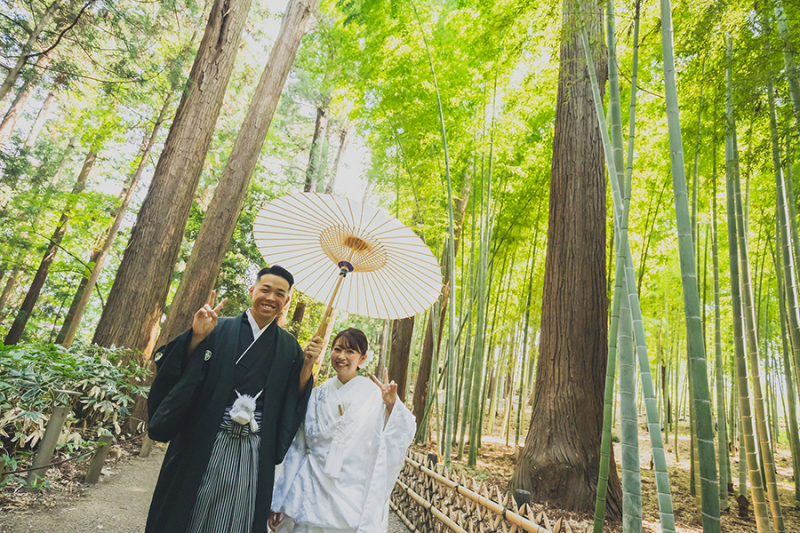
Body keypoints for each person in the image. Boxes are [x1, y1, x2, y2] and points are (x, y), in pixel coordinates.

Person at [145, 265, 323, 533]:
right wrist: (197, 336)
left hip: (253, 448)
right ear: (252, 290)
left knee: (239, 516)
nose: (271, 298)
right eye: (265, 289)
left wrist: (307, 366)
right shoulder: (217, 328)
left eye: (279, 294)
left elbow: (292, 399)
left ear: (286, 302)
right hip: (204, 437)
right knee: (188, 510)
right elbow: (180, 369)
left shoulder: (290, 347)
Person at [269, 328, 416, 533]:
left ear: (362, 358)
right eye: (337, 349)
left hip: (351, 492)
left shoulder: (375, 396)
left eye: (350, 351)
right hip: (312, 489)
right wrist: (281, 497)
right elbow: (298, 446)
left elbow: (403, 431)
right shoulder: (316, 394)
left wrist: (391, 405)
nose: (341, 356)